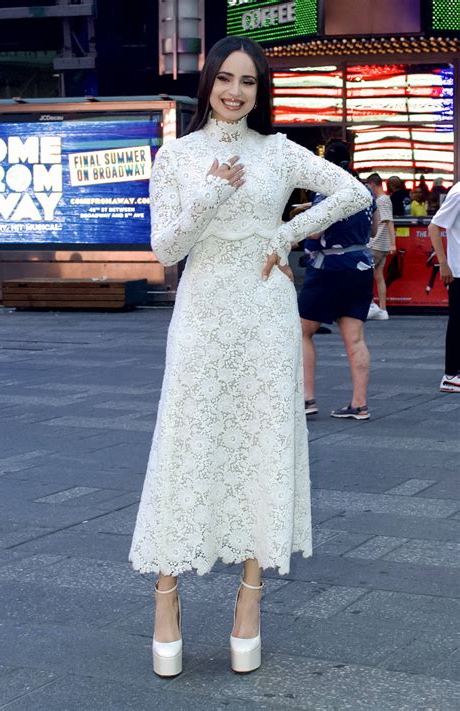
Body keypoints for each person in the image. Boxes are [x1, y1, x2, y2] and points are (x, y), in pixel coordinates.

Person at [128, 36, 371, 677]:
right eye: (225, 79)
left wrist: (283, 234)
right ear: (207, 81)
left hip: (265, 317)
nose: (235, 92)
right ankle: (167, 598)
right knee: (186, 444)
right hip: (202, 317)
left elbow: (353, 194)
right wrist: (210, 193)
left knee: (262, 445)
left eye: (249, 82)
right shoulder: (177, 157)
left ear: (261, 92)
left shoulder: (279, 151)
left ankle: (249, 604)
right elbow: (165, 249)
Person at [298, 140, 376, 421]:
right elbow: (374, 226)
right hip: (360, 267)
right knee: (354, 338)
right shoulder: (366, 191)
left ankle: (307, 398)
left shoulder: (328, 190)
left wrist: (297, 227)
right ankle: (360, 404)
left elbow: (315, 231)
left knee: (303, 331)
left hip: (328, 267)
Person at [428, 182, 460, 392]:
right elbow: (434, 226)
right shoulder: (458, 194)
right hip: (458, 271)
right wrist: (443, 263)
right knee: (457, 322)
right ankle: (450, 374)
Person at [366, 173, 397, 321]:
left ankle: (372, 306)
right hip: (382, 245)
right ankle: (383, 309)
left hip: (375, 243)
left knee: (366, 276)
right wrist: (391, 243)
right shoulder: (385, 199)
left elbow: (389, 221)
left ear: (372, 184)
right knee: (378, 276)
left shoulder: (382, 201)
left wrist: (393, 243)